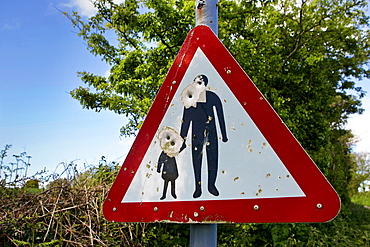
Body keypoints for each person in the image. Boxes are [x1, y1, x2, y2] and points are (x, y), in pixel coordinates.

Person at [180, 74, 228, 198]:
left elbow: (220, 116)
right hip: (197, 133)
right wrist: (182, 139)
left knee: (212, 159)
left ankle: (211, 185)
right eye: (196, 82)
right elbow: (185, 121)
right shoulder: (190, 99)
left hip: (211, 132)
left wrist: (224, 135)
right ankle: (198, 187)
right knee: (197, 160)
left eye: (201, 82)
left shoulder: (212, 97)